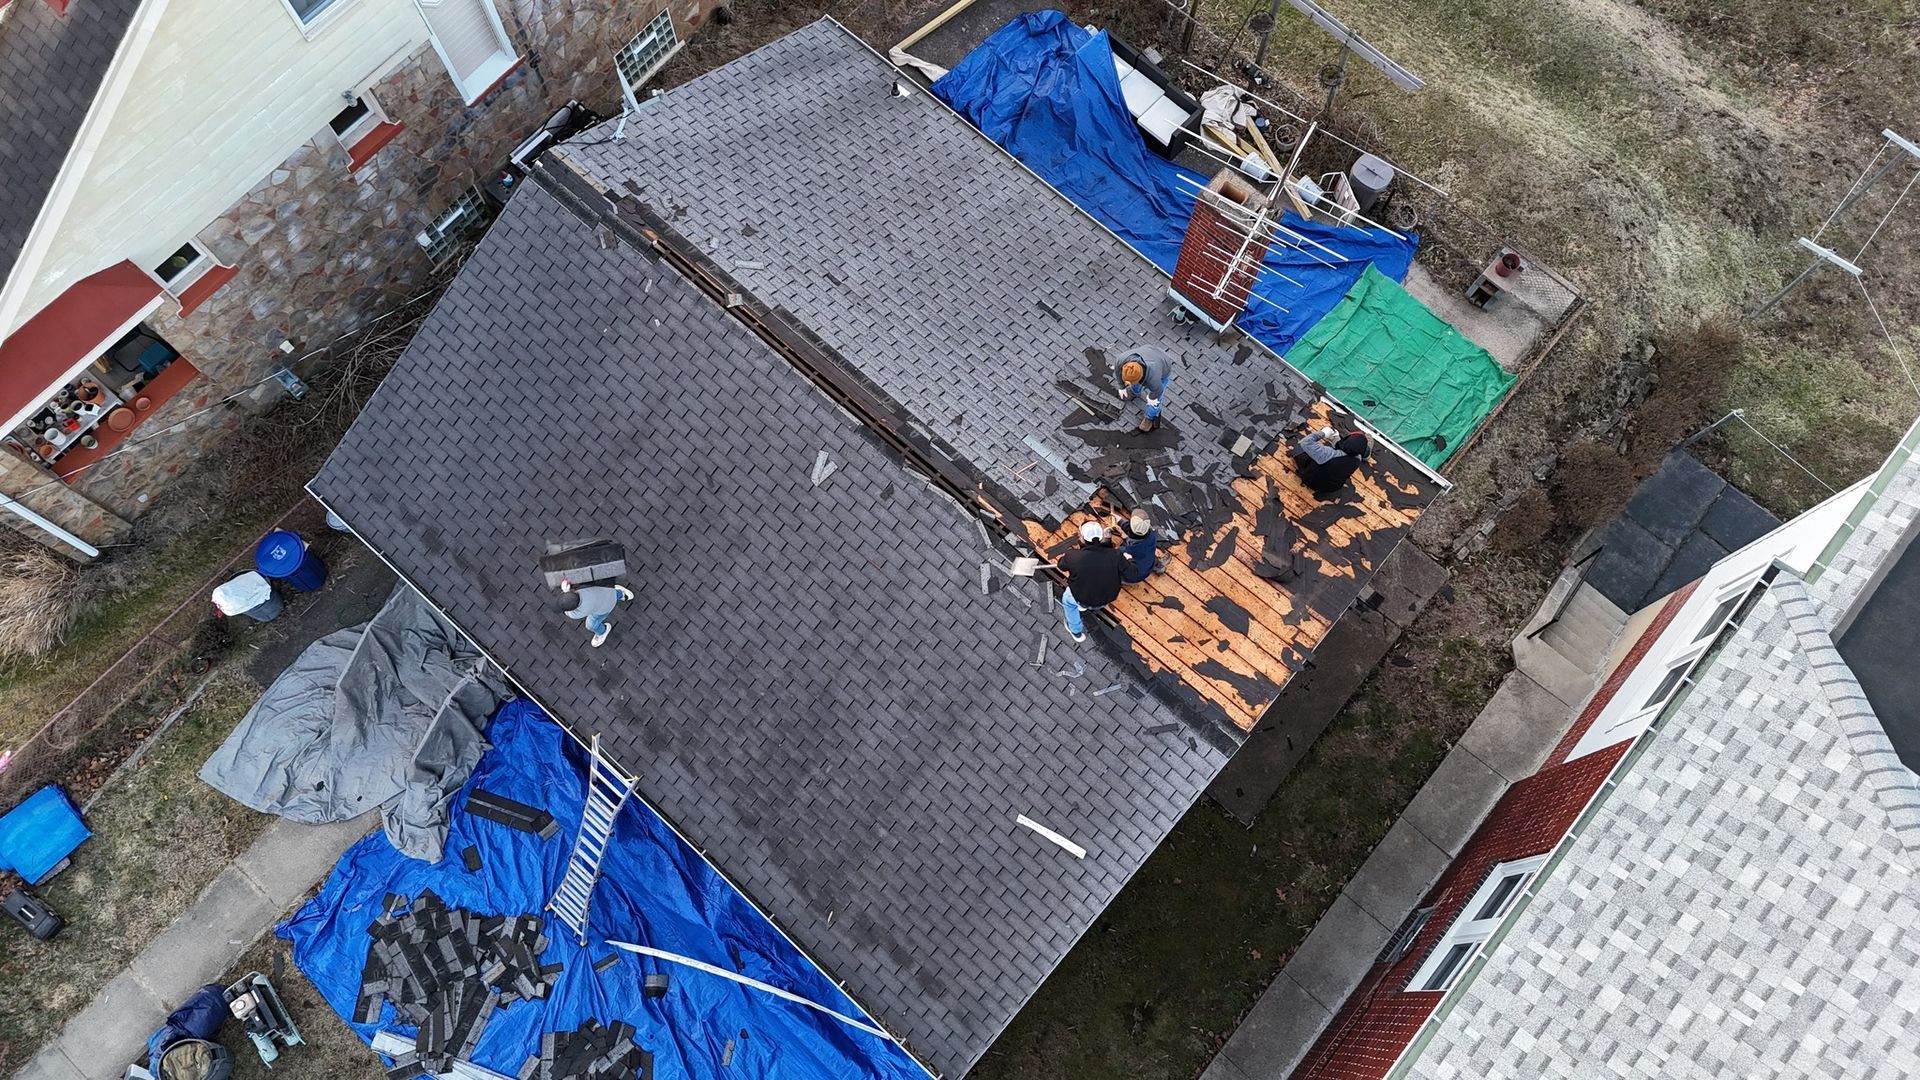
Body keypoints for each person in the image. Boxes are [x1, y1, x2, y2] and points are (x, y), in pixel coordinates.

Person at [1056, 520, 1127, 643]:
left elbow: (1061, 566)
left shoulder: (1073, 556)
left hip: (1083, 597)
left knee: (1068, 601)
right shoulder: (1115, 555)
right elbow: (1131, 572)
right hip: (1106, 598)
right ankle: (1083, 606)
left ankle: (1076, 631)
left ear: (1083, 538)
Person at [560, 578, 635, 647]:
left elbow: (571, 612)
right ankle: (621, 594)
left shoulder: (575, 614)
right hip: (604, 591)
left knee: (591, 625)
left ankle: (603, 631)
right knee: (607, 594)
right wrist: (566, 591)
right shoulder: (584, 588)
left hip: (604, 606)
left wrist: (566, 592)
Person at [1292, 428, 1370, 495]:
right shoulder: (1357, 460)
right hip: (1331, 489)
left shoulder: (1327, 454)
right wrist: (1335, 438)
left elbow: (1306, 442)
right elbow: (1344, 451)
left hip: (1309, 480)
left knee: (1298, 450)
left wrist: (1323, 433)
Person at [1116, 346, 1175, 432]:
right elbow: (1118, 372)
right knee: (1135, 383)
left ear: (1140, 376)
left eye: (1130, 382)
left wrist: (1151, 398)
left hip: (1163, 366)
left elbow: (1158, 390)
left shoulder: (1154, 378)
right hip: (1149, 352)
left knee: (1156, 401)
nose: (1127, 384)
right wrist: (1121, 386)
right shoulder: (1121, 360)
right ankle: (1134, 391)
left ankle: (1149, 418)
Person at [1113, 507, 1158, 584]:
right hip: (1149, 563)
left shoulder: (1129, 551)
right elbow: (1132, 531)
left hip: (1134, 576)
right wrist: (1119, 520)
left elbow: (1121, 553)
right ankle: (1158, 566)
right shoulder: (1152, 535)